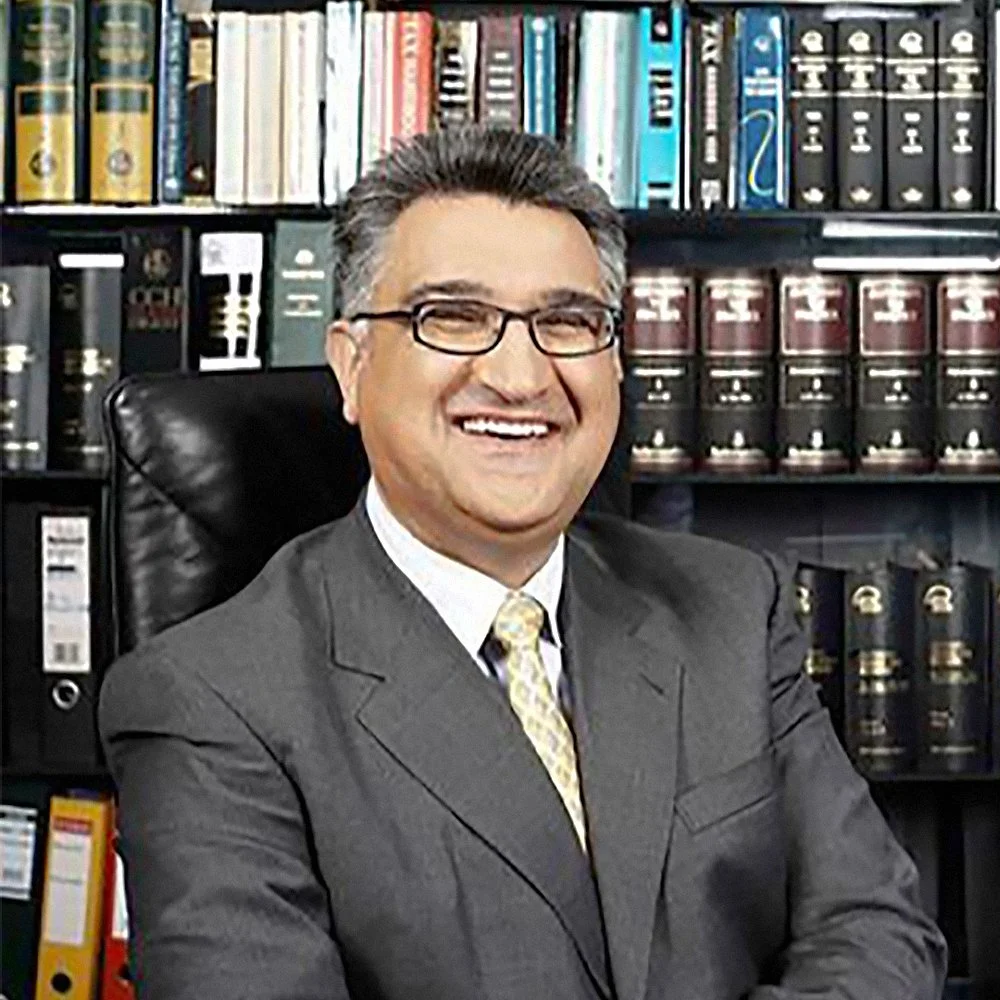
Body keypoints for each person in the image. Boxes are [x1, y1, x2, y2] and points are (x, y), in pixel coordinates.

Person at [98, 126, 947, 1000]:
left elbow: (876, 930)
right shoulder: (207, 700)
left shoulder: (732, 604)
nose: (520, 375)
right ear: (352, 369)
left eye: (567, 321)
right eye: (454, 317)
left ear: (614, 362)